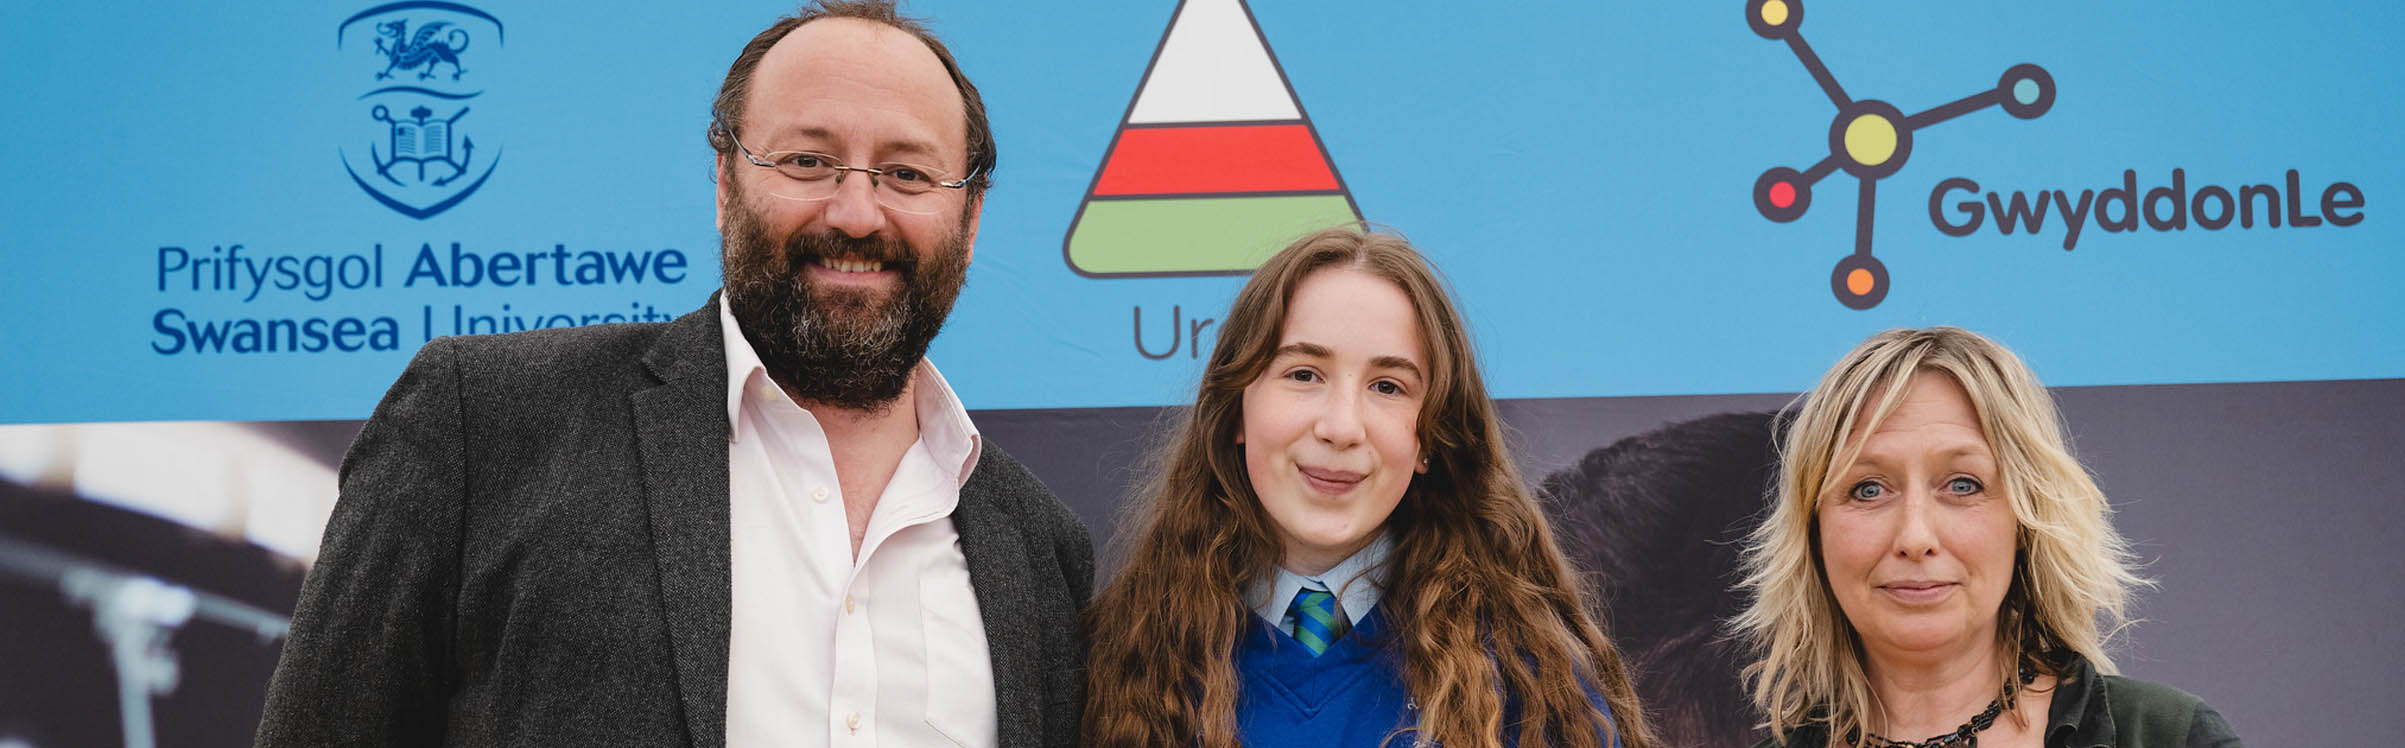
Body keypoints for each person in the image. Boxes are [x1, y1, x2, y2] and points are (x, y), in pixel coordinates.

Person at [256, 3, 1094, 746]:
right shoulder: (487, 422)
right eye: (806, 161)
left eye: (906, 173)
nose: (854, 211)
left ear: (970, 216)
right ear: (725, 183)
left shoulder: (1038, 549)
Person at [1083, 226, 1655, 748]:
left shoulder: (1529, 686)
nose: (1341, 428)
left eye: (1387, 386)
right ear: (1236, 410)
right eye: (1303, 374)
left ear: (1431, 437)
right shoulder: (1113, 668)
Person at [1733, 327, 2243, 748]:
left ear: (2026, 519)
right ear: (1813, 532)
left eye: (1962, 485)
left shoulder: (2167, 737)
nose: (1915, 536)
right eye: (1868, 490)